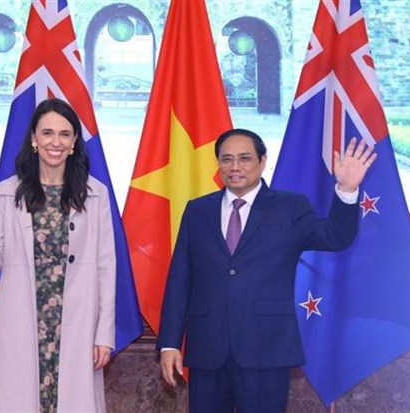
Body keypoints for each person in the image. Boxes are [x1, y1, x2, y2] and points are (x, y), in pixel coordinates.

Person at [157, 128, 377, 413]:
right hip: (207, 350)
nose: (235, 166)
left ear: (262, 161)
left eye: (245, 158)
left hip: (267, 348)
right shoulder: (198, 210)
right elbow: (179, 278)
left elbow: (336, 236)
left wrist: (346, 190)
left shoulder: (290, 207)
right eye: (226, 159)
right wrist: (169, 343)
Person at [0, 98, 116, 412]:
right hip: (21, 324)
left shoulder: (96, 195)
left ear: (74, 143)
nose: (56, 142)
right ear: (33, 139)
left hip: (77, 326)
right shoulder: (6, 192)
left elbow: (106, 267)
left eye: (65, 134)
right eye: (47, 133)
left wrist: (104, 333)